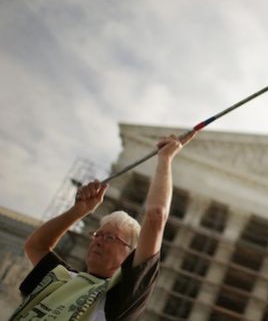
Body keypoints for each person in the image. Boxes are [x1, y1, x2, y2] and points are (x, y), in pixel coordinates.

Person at [10, 132, 196, 321]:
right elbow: (35, 246)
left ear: (129, 255)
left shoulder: (119, 300)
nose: (98, 241)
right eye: (97, 234)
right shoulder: (63, 279)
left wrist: (165, 159)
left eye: (109, 238)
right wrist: (79, 210)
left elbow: (155, 217)